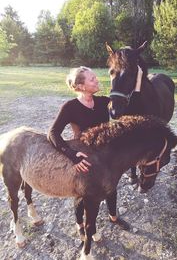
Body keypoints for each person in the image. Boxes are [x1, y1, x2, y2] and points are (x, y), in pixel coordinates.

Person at [47, 66, 130, 240]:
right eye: (92, 79)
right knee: (82, 194)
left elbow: (125, 104)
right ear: (81, 86)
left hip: (106, 154)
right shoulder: (70, 107)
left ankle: (113, 217)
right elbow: (53, 133)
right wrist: (71, 155)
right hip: (84, 156)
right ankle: (79, 224)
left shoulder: (102, 101)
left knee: (111, 187)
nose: (97, 80)